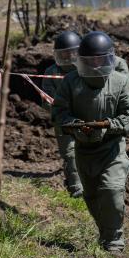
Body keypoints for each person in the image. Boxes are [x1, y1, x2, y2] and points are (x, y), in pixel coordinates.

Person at [52, 31, 129, 252]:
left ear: (110, 58)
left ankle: (114, 241)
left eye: (99, 59)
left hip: (112, 149)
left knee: (111, 190)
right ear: (80, 61)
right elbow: (59, 112)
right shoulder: (70, 82)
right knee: (91, 196)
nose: (95, 65)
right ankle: (106, 233)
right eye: (89, 61)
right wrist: (75, 125)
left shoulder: (121, 82)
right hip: (84, 150)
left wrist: (109, 125)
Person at [43, 31, 84, 198]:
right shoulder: (51, 72)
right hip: (63, 121)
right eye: (64, 53)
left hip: (87, 118)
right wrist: (64, 112)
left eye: (72, 52)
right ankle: (77, 187)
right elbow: (47, 100)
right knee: (69, 152)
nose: (68, 56)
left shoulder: (86, 69)